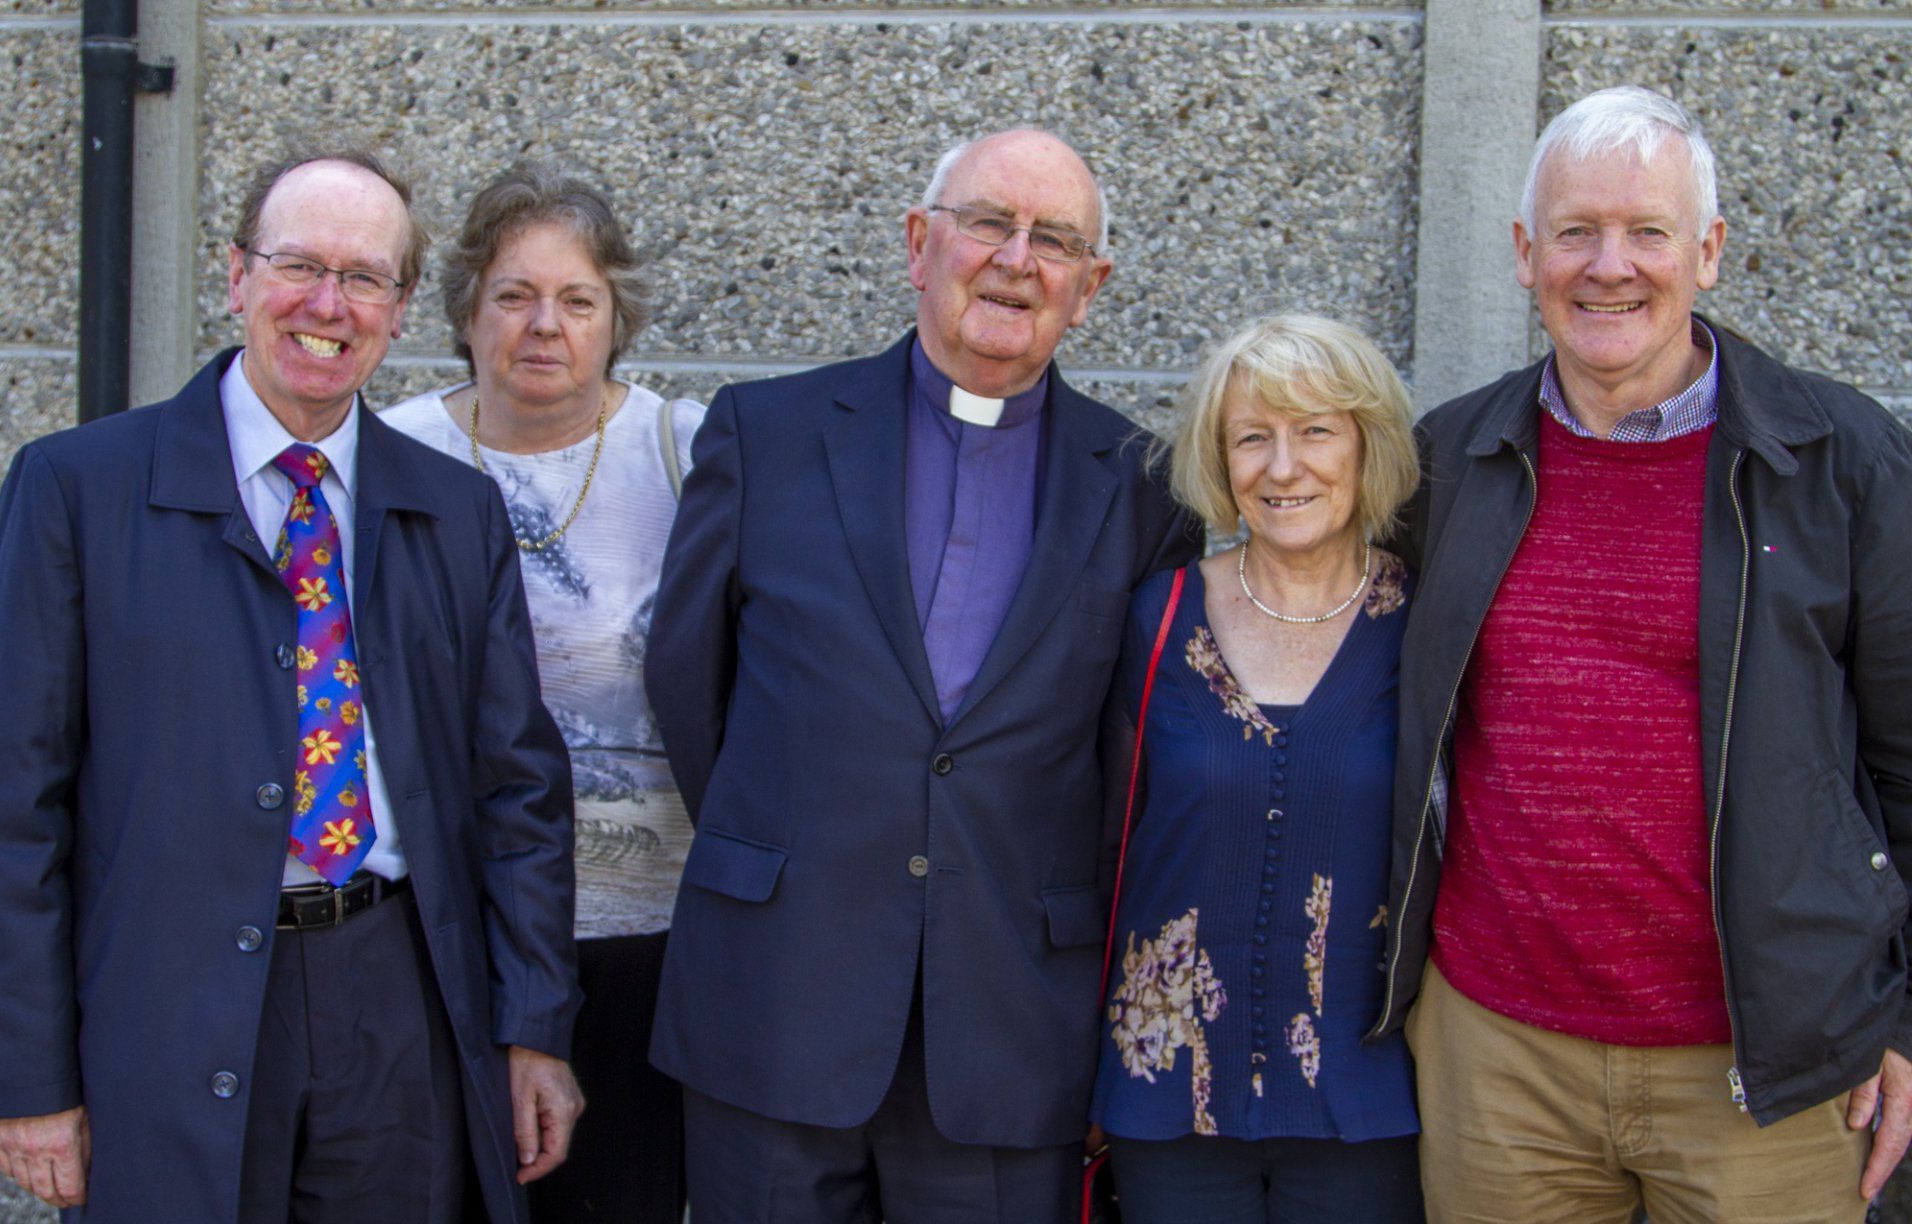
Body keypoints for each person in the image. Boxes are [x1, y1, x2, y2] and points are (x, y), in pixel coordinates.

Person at [0, 147, 583, 1223]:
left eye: (364, 277)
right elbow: (10, 810)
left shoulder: (454, 513)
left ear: (401, 308)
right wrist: (28, 1080)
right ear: (234, 276)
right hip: (166, 1006)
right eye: (298, 264)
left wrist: (535, 1025)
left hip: (397, 993)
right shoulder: (75, 493)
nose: (328, 304)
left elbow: (520, 797)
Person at [1373, 85, 1912, 1221]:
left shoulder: (1843, 462)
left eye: (1648, 232)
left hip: (1764, 1070)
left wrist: (1904, 1022)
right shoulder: (1450, 461)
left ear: (1707, 252)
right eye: (1575, 231)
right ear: (1526, 254)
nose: (1608, 265)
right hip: (1499, 1061)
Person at [646, 128, 1198, 1222]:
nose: (1016, 258)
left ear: (1090, 289)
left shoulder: (1142, 487)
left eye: (1056, 242)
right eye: (989, 222)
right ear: (918, 243)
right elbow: (687, 682)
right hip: (776, 1002)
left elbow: (1133, 763)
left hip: (1007, 1033)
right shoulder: (766, 434)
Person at [382, 163, 704, 1223]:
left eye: (577, 300)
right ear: (466, 308)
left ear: (616, 319)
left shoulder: (687, 453)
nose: (543, 325)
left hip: (644, 943)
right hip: (443, 936)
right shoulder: (390, 458)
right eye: (514, 295)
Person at [1092, 315, 1423, 1223]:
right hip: (1166, 1096)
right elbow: (1095, 836)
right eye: (1252, 438)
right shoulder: (1156, 617)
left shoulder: (1426, 623)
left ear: (1368, 448)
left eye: (1315, 430)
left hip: (1371, 1095)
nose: (1283, 468)